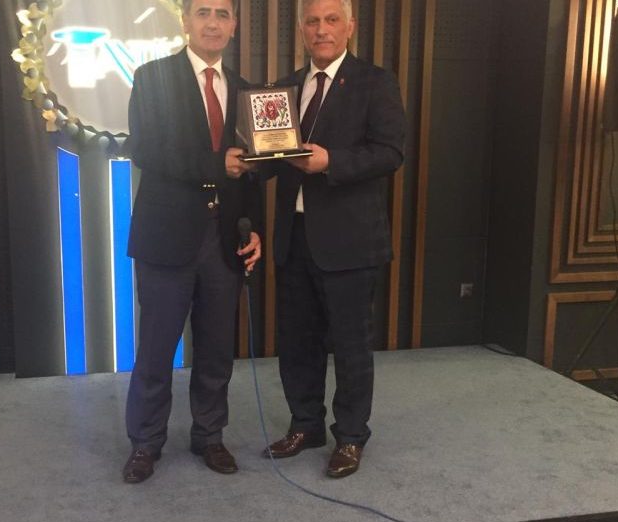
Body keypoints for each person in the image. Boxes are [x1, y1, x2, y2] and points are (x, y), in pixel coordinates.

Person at [263, 0, 406, 478]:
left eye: (331, 20)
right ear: (301, 29)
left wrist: (332, 163)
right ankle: (305, 425)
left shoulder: (375, 82)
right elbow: (275, 154)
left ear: (350, 27)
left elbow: (390, 153)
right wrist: (252, 158)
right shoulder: (284, 87)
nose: (321, 29)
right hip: (294, 237)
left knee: (350, 346)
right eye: (312, 21)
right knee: (296, 342)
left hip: (350, 241)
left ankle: (350, 436)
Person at [123, 0, 260, 484]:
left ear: (233, 25)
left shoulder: (246, 90)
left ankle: (209, 435)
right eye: (203, 12)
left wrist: (253, 226)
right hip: (166, 237)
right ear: (185, 22)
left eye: (222, 14)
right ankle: (145, 442)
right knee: (156, 349)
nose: (213, 23)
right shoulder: (152, 77)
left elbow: (251, 171)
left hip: (224, 239)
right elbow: (146, 149)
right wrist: (215, 166)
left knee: (217, 350)